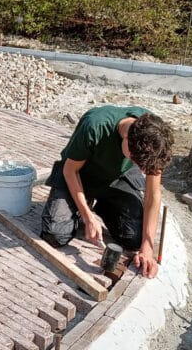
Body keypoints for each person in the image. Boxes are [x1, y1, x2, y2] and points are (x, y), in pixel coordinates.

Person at [40, 106, 173, 279]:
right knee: (55, 234)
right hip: (81, 175)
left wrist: (147, 248)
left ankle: (103, 206)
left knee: (135, 239)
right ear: (126, 138)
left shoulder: (154, 139)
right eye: (134, 161)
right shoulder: (95, 125)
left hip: (116, 179)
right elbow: (70, 171)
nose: (141, 168)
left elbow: (152, 195)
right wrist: (87, 217)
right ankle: (84, 203)